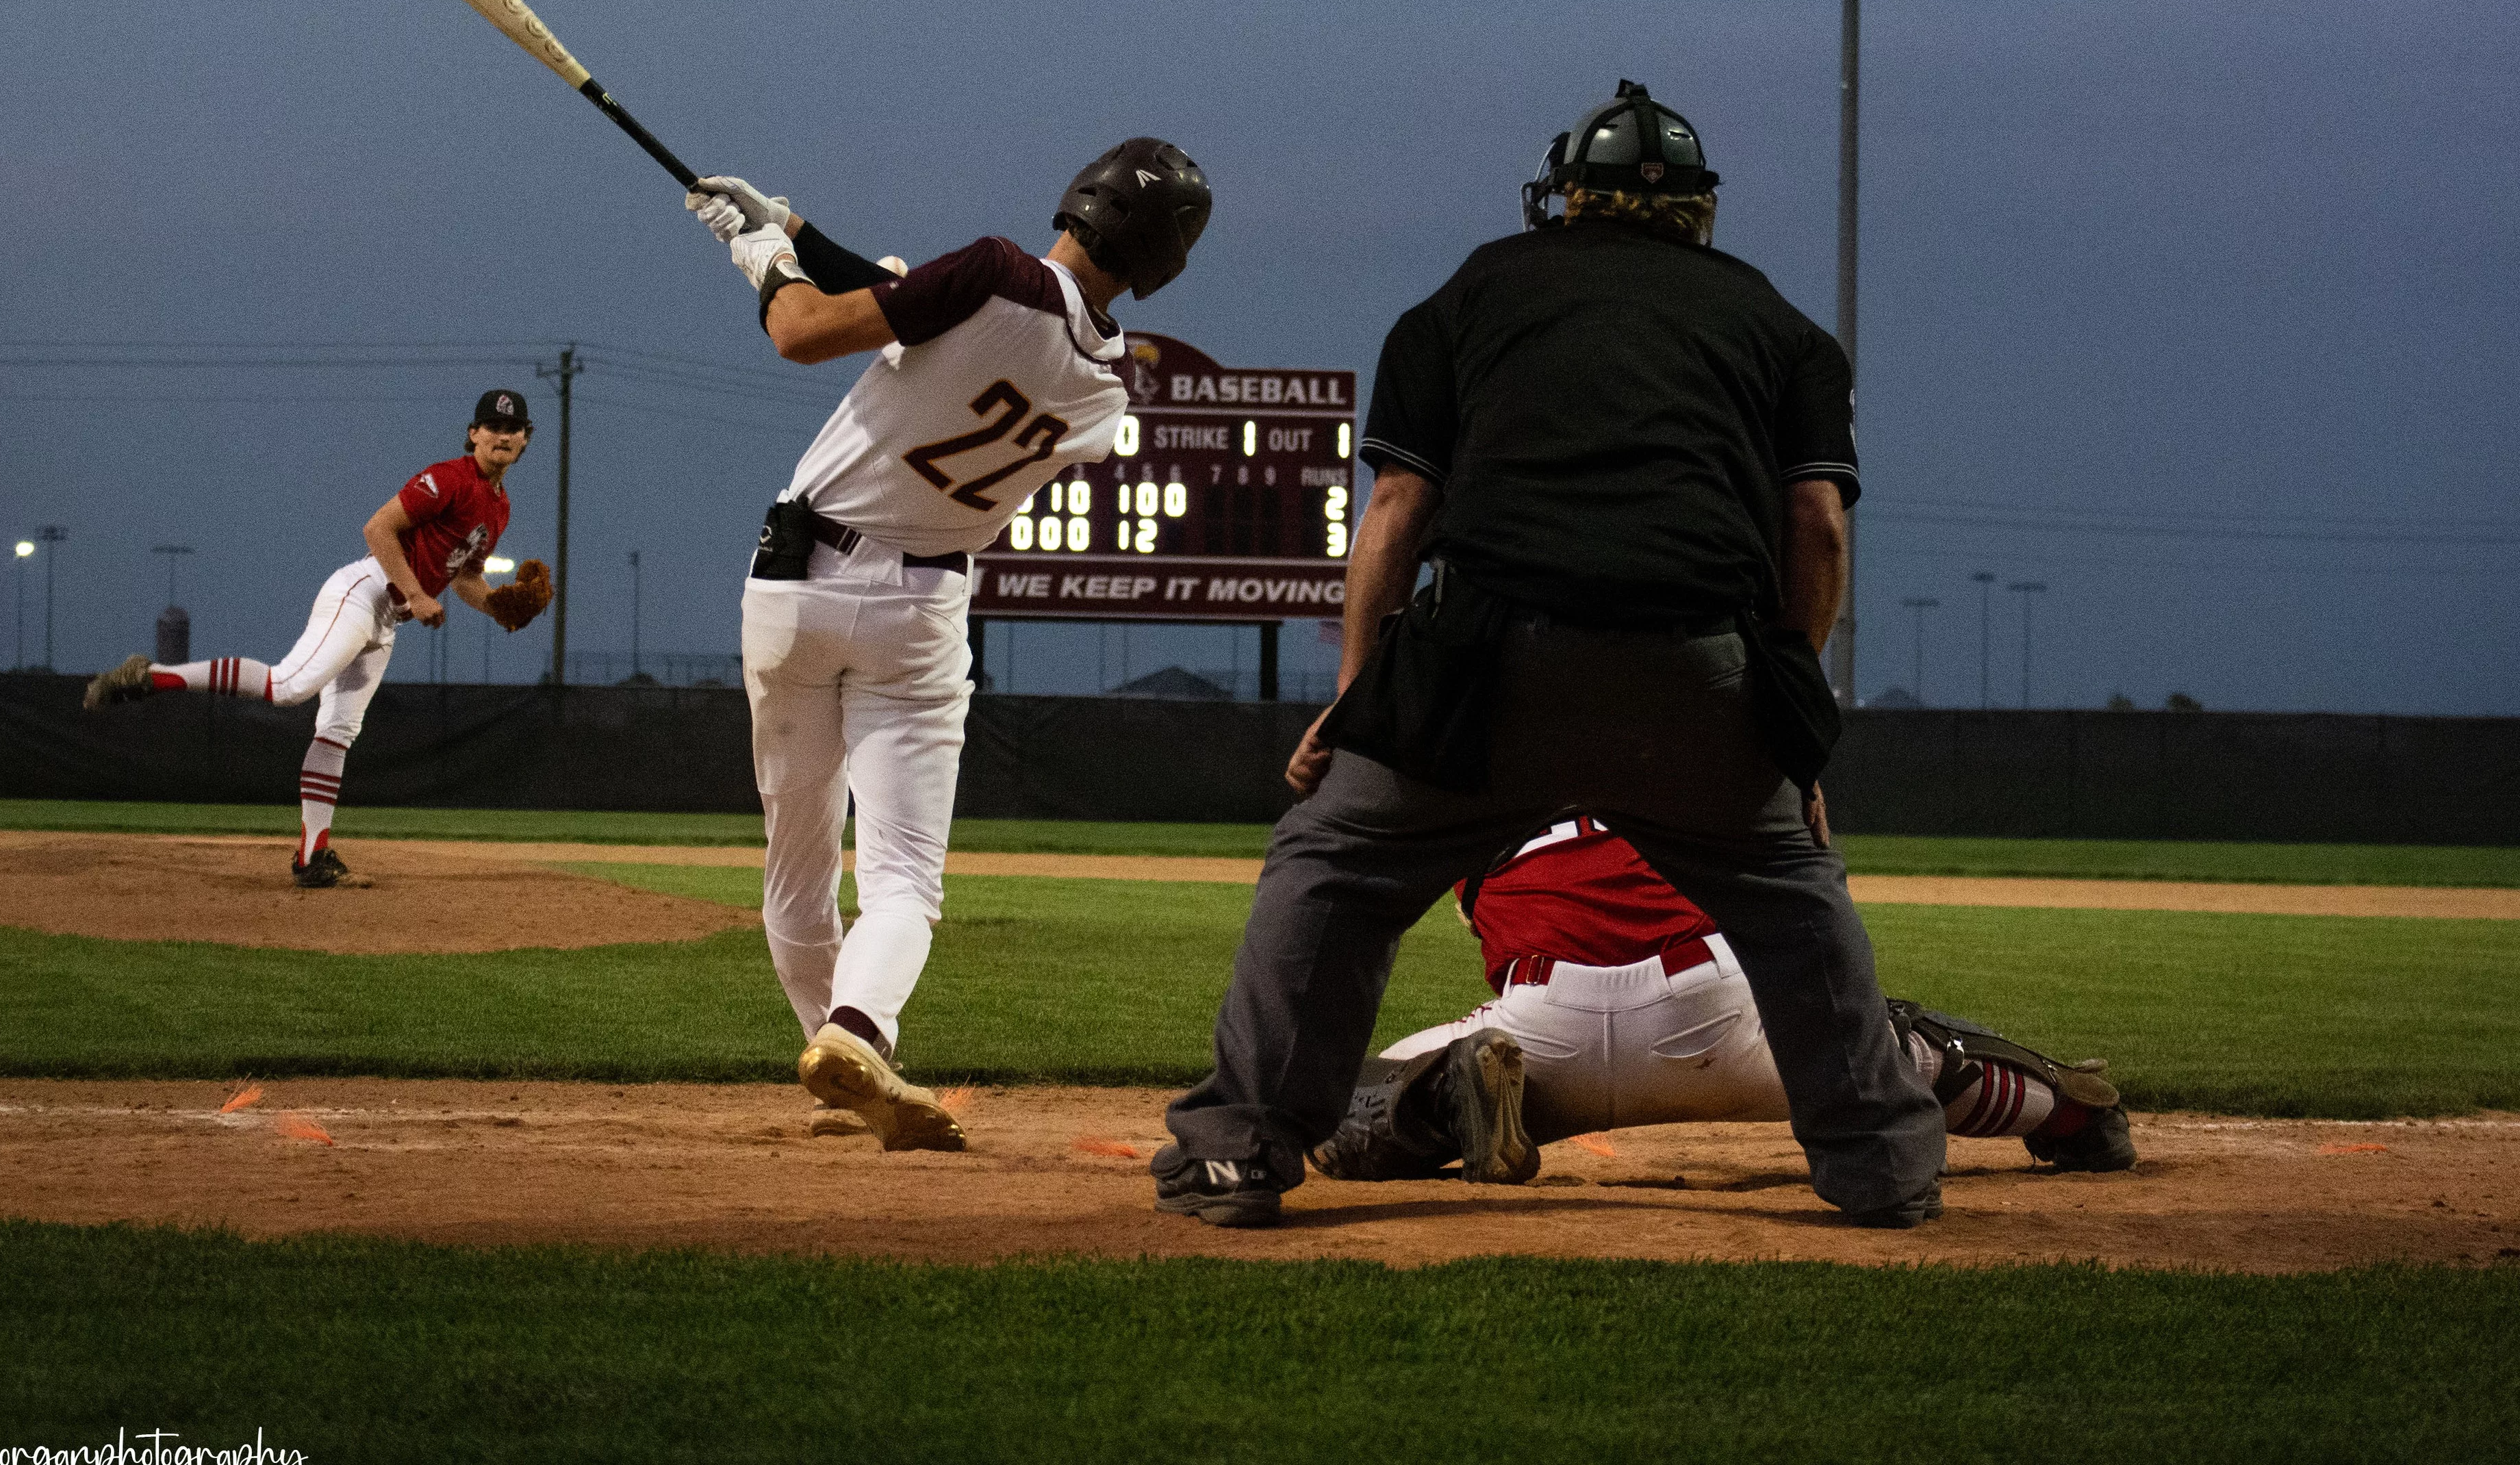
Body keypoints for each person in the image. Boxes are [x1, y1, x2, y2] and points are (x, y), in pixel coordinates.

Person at [1154, 79, 1948, 1229]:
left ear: (1567, 196)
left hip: (1492, 660)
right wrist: (1780, 710)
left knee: (1335, 864)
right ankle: (1884, 1171)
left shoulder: (1474, 289)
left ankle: (1239, 1153)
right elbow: (1816, 528)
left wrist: (1361, 702)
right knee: (1788, 894)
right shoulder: (1780, 324)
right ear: (1699, 208)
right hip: (1699, 662)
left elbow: (1396, 513)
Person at [687, 144, 1210, 1151]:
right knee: (905, 879)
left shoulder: (989, 269)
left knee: (797, 874)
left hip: (796, 588)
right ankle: (857, 1033)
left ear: (1081, 194)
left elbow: (804, 332)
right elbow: (918, 303)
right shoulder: (1108, 394)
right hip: (923, 614)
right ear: (1160, 259)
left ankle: (830, 1047)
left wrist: (764, 262)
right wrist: (794, 230)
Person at [1309, 816, 2136, 1181]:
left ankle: (1447, 1097)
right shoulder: (1681, 765)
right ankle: (2072, 1114)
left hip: (1541, 1029)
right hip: (1717, 1008)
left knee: (1349, 1105)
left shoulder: (1472, 799)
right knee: (1898, 1047)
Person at [83, 389, 553, 885]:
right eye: (492, 427)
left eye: (513, 428)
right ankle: (152, 675)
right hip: (364, 591)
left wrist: (497, 605)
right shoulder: (449, 479)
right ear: (473, 434)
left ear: (526, 439)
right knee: (289, 687)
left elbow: (463, 577)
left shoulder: (500, 508)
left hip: (387, 619)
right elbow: (378, 528)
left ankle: (312, 856)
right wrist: (415, 593)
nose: (502, 435)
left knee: (338, 733)